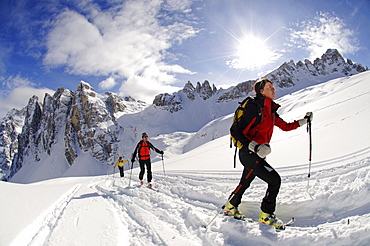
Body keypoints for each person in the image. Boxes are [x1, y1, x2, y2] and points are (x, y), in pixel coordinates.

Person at [225, 78, 313, 229]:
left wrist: (304, 121)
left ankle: (230, 206)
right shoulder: (253, 106)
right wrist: (253, 146)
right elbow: (235, 131)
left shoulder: (270, 110)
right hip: (249, 153)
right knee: (274, 180)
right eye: (269, 87)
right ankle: (266, 215)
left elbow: (285, 126)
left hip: (258, 154)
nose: (274, 89)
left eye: (273, 87)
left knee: (245, 182)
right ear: (261, 91)